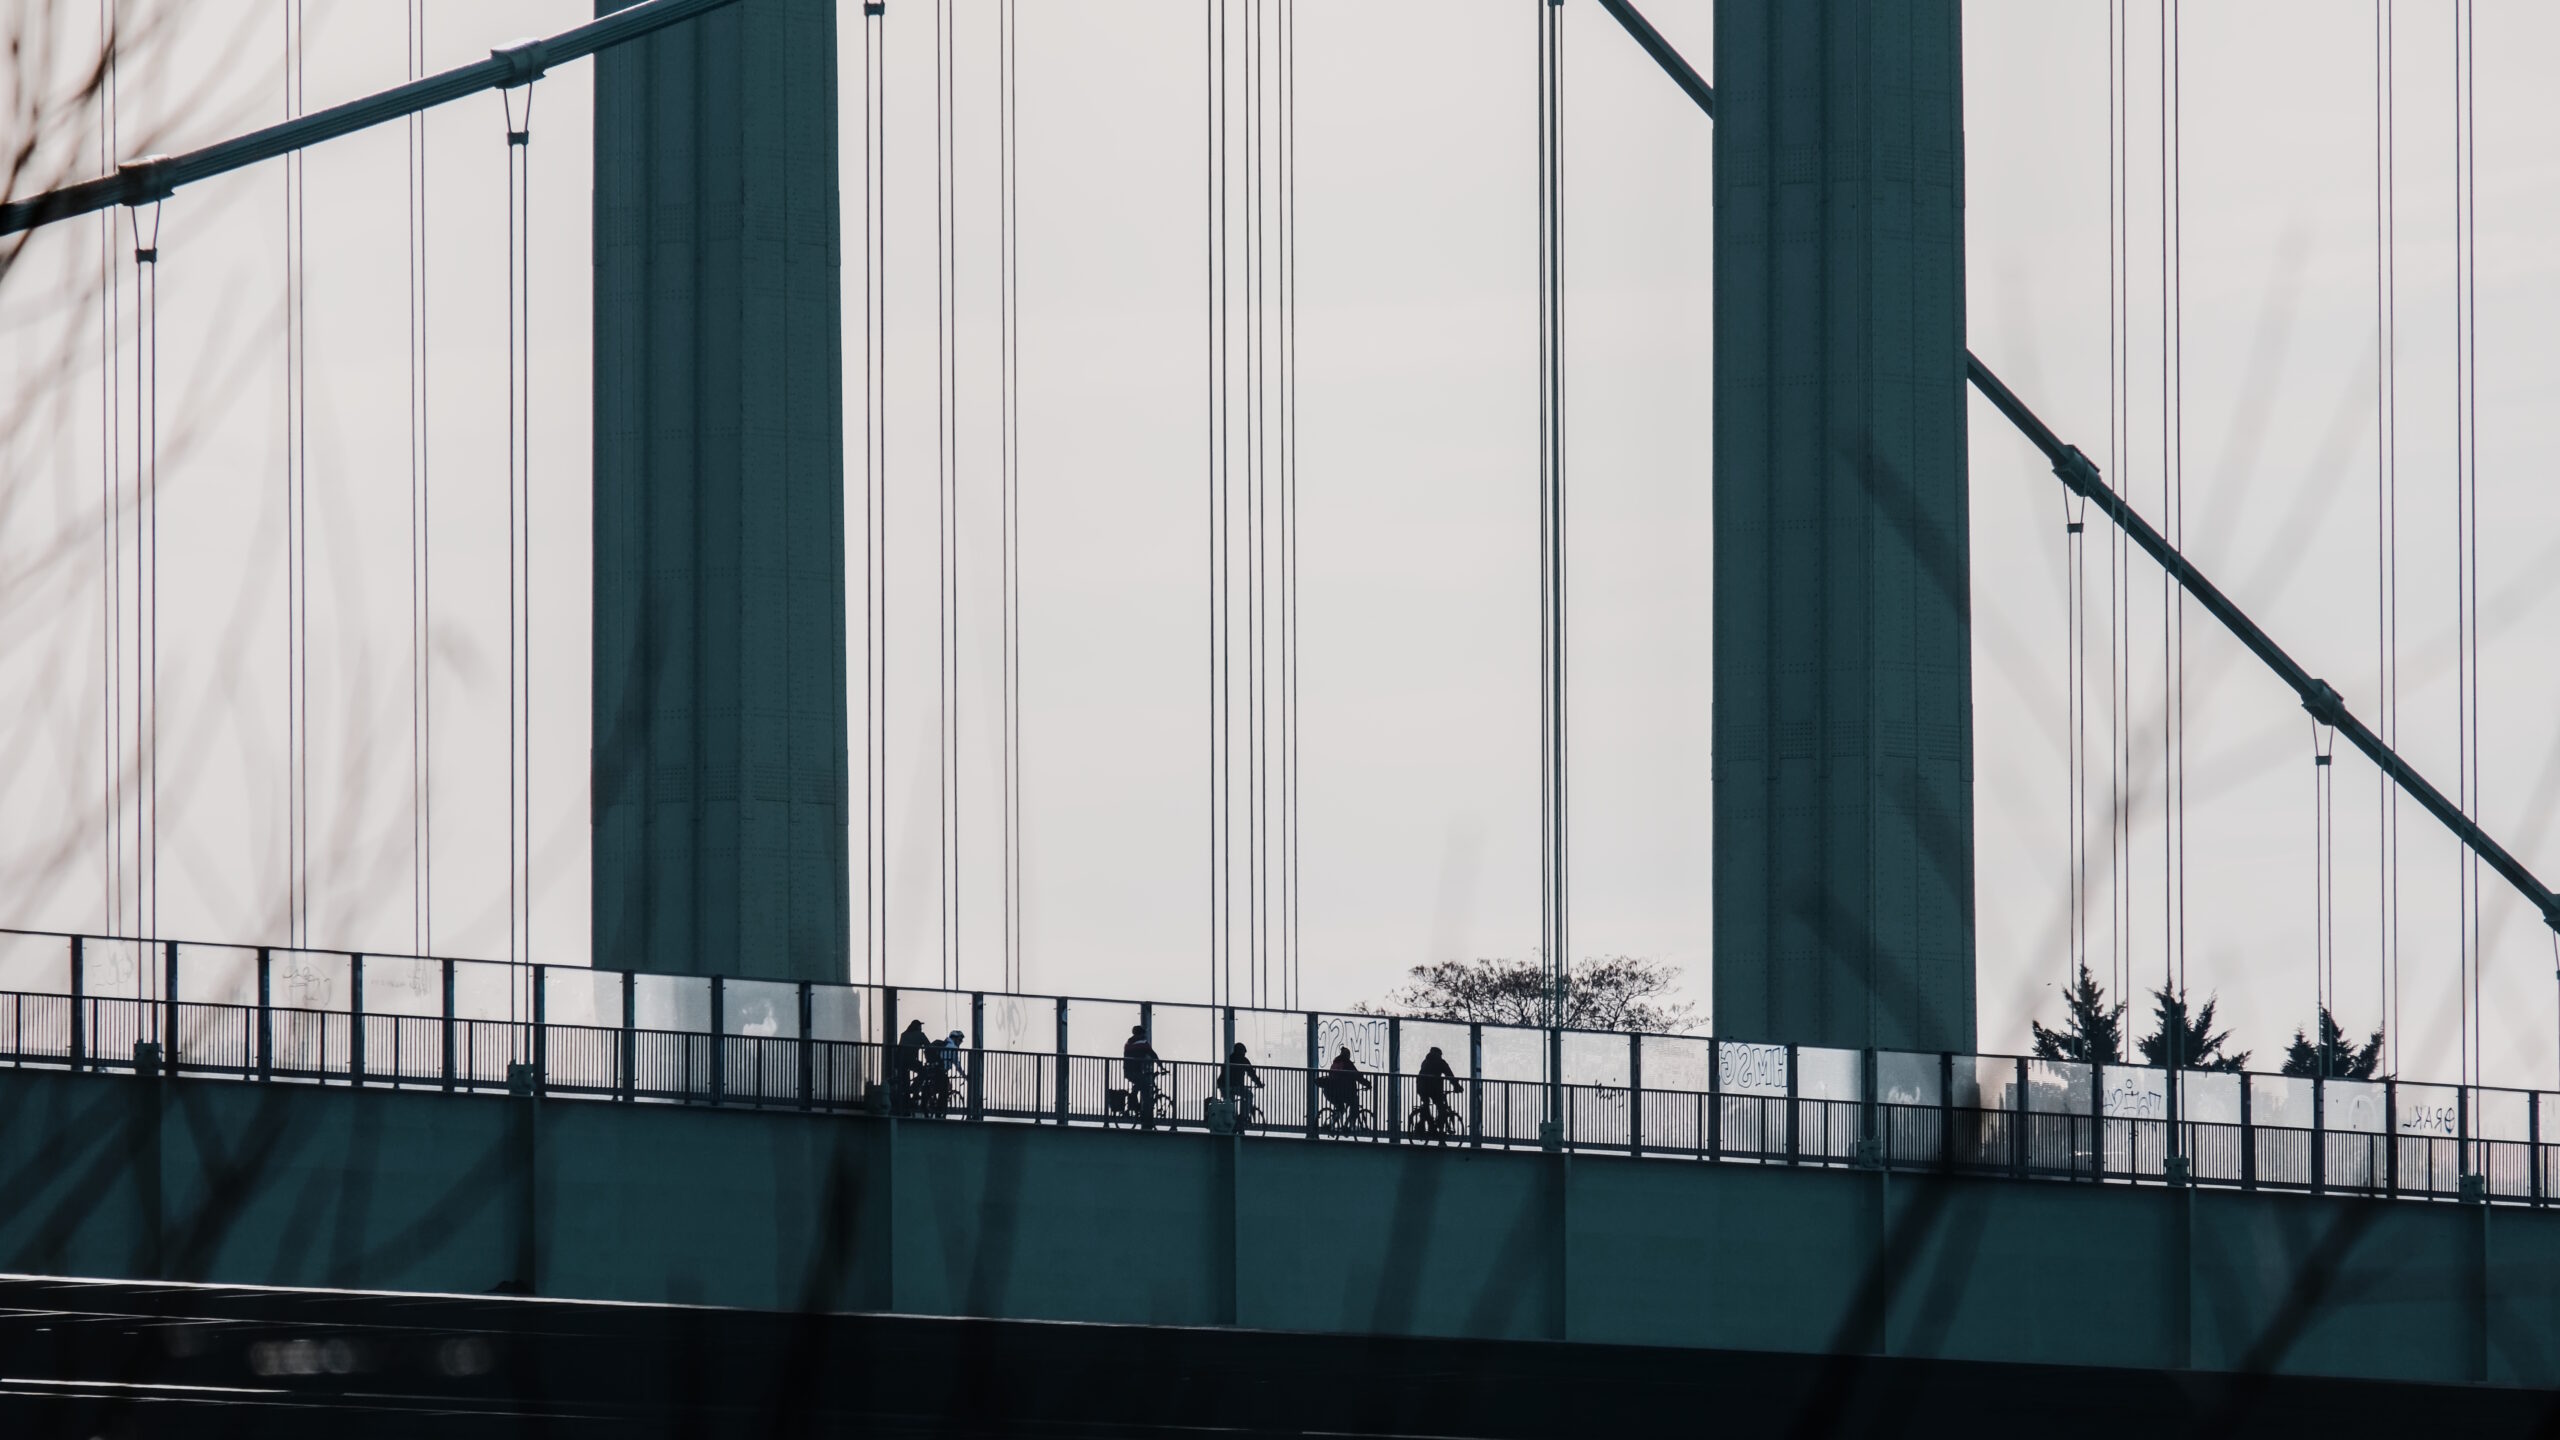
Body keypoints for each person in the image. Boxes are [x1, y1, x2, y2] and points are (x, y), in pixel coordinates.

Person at [1415, 1044, 1463, 1133]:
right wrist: (1457, 1086)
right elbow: (1449, 1075)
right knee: (1441, 1108)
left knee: (1426, 1104)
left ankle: (1428, 1124)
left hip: (1421, 1086)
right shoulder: (1440, 1062)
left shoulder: (1425, 1061)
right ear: (1439, 1054)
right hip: (1434, 1089)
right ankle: (1439, 1132)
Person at [1322, 1046, 1372, 1129]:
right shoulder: (1347, 1063)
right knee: (1354, 1104)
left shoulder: (1335, 1063)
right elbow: (1357, 1075)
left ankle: (1331, 1124)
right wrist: (1368, 1084)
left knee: (1341, 1107)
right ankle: (1349, 1126)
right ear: (1347, 1055)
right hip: (1341, 1091)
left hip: (1330, 1090)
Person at [1123, 1025, 1163, 1127]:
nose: (1145, 1035)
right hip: (1136, 1071)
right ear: (1141, 1034)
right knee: (1146, 1089)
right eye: (1144, 1033)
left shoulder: (1128, 1042)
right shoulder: (1142, 1043)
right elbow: (1153, 1055)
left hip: (1127, 1071)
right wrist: (1161, 1067)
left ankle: (1134, 1103)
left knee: (1139, 1085)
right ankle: (1145, 1115)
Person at [892, 1019, 931, 1113]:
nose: (921, 1028)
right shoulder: (920, 1035)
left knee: (905, 1083)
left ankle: (905, 1107)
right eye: (920, 1026)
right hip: (911, 1060)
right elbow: (929, 1046)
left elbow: (900, 1048)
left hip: (900, 1061)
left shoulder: (904, 1034)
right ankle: (914, 1087)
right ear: (918, 1027)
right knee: (924, 1072)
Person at [1223, 1041, 1263, 1127]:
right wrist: (1259, 1084)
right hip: (1235, 1086)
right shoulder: (1243, 1060)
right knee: (1248, 1095)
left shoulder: (1229, 1058)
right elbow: (1251, 1073)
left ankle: (1233, 1119)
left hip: (1223, 1085)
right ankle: (1243, 1117)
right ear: (1242, 1052)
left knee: (1229, 1101)